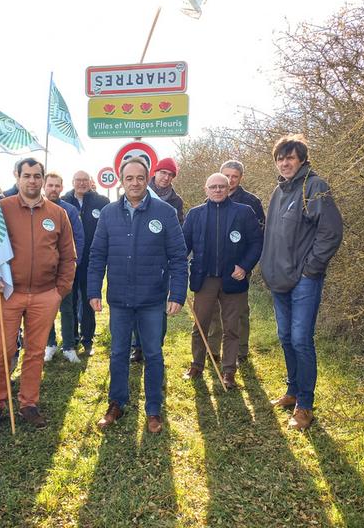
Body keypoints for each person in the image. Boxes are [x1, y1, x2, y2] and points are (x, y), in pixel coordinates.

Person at [88, 158, 187, 434]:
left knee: (153, 353)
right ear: (122, 180)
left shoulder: (165, 212)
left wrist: (177, 293)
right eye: (129, 178)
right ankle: (116, 403)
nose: (134, 183)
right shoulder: (108, 213)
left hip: (152, 299)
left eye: (140, 178)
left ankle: (153, 409)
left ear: (148, 179)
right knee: (119, 352)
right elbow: (97, 255)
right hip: (119, 298)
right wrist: (94, 289)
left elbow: (178, 257)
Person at [0, 158, 76, 434]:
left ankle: (28, 403)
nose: (32, 181)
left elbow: (69, 256)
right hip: (9, 294)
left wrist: (60, 291)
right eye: (27, 176)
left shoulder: (57, 213)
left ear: (43, 179)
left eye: (37, 176)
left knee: (35, 352)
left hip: (45, 294)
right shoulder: (1, 209)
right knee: (2, 351)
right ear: (17, 177)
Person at [261, 134, 343, 430]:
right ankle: (293, 390)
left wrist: (311, 269)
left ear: (302, 160)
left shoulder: (314, 187)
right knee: (285, 337)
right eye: (280, 158)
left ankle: (305, 406)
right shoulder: (279, 191)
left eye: (290, 158)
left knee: (300, 339)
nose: (284, 163)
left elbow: (331, 232)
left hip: (304, 280)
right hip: (279, 278)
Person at [182, 173, 263, 388]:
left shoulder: (244, 212)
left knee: (232, 327)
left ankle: (229, 371)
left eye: (221, 186)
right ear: (205, 189)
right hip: (204, 279)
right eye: (213, 187)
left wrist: (245, 266)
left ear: (228, 189)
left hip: (233, 280)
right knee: (200, 324)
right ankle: (197, 365)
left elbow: (256, 243)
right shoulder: (195, 214)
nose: (217, 190)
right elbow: (183, 245)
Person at [204, 159, 266, 365]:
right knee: (213, 311)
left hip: (239, 267)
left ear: (240, 178)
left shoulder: (251, 202)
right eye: (226, 176)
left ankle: (240, 351)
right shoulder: (210, 199)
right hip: (213, 269)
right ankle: (212, 350)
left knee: (238, 312)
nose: (229, 181)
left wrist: (246, 266)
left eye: (234, 177)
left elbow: (258, 238)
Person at [131, 156, 185, 363]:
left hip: (161, 261)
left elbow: (177, 229)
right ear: (154, 173)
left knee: (158, 307)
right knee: (135, 305)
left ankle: (155, 345)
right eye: (163, 172)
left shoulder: (175, 201)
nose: (165, 177)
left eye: (170, 175)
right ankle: (137, 347)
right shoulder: (141, 190)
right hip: (137, 257)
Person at [62, 171, 109, 355]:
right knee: (70, 301)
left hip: (93, 262)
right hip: (70, 262)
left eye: (85, 180)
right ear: (72, 182)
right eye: (78, 180)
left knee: (90, 300)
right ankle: (71, 338)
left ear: (90, 182)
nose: (81, 183)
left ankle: (87, 339)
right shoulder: (63, 201)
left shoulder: (102, 202)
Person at [43, 172, 84, 363]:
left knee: (67, 309)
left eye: (56, 186)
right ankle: (50, 344)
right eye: (49, 185)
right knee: (45, 310)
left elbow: (79, 239)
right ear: (44, 186)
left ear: (61, 187)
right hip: (42, 272)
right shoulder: (37, 209)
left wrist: (74, 265)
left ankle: (68, 346)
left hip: (65, 271)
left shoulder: (70, 211)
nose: (53, 189)